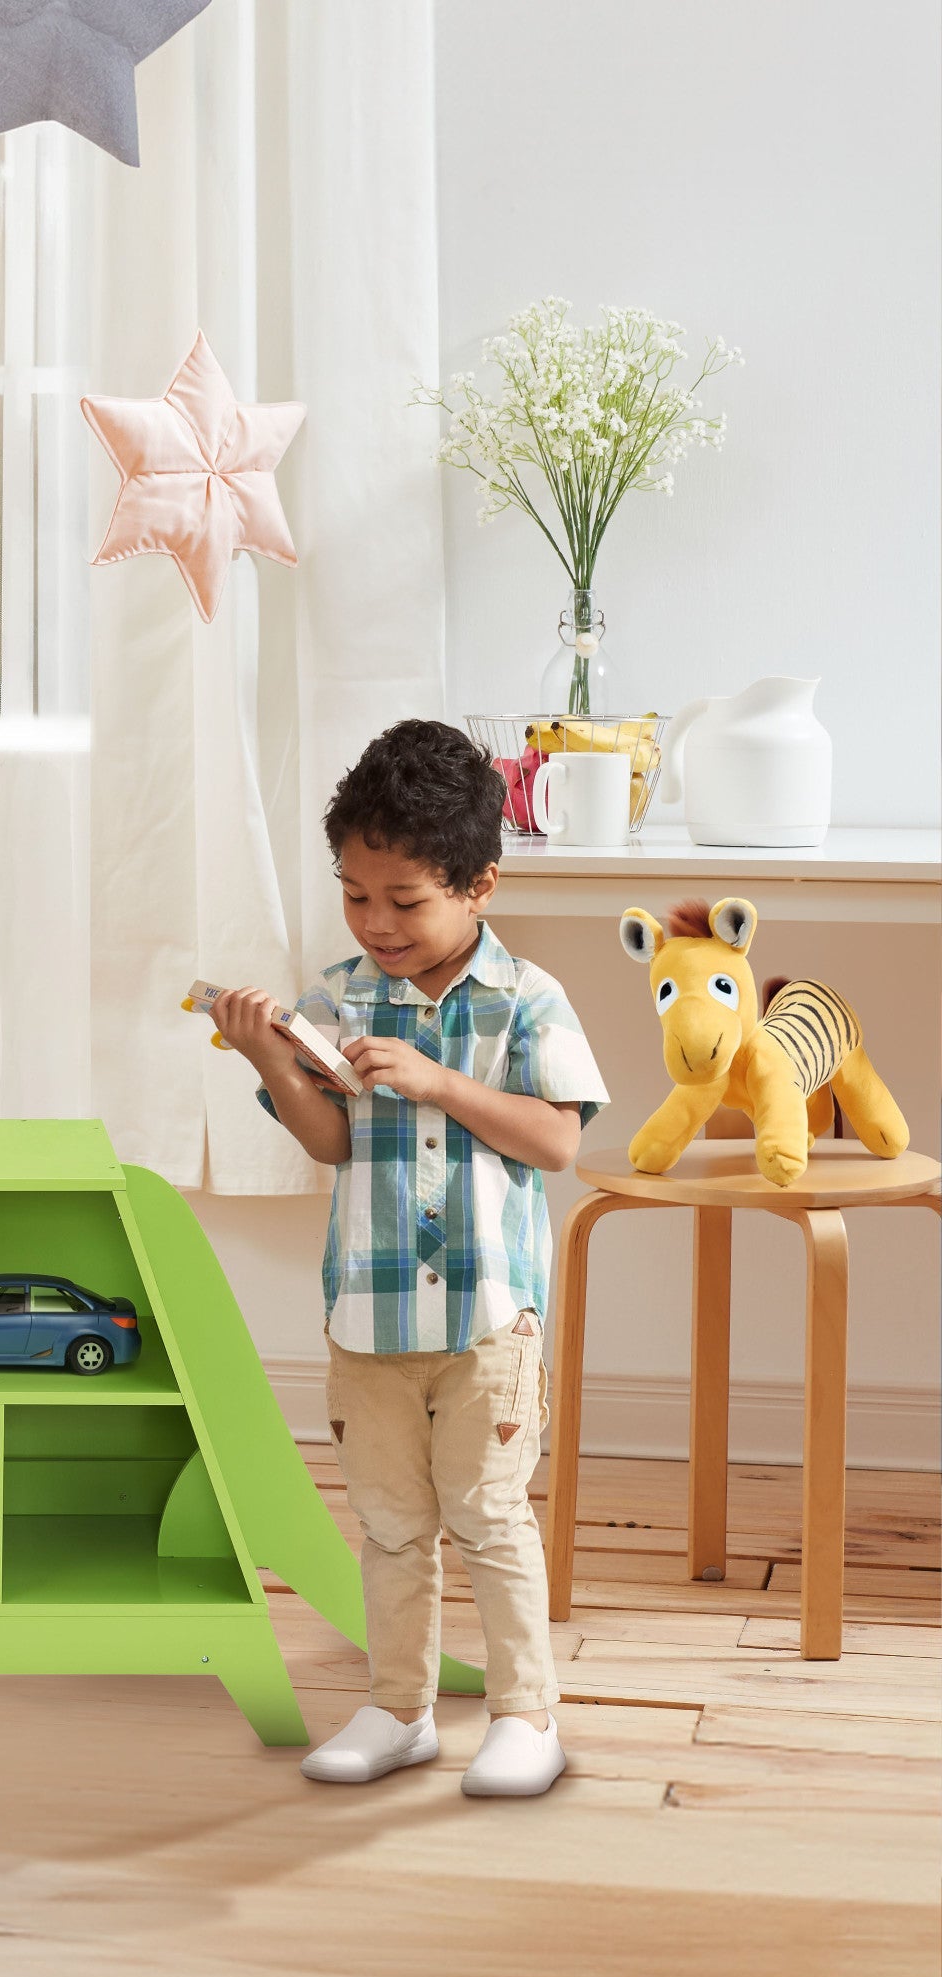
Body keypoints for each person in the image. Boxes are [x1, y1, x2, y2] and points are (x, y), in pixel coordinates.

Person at [212, 720, 607, 1798]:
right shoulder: (338, 996)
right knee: (389, 1530)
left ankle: (526, 1716)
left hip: (486, 1322)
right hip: (370, 1320)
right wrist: (269, 1056)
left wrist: (437, 1082)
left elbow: (557, 1142)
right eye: (354, 895)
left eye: (403, 899)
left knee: (489, 1519)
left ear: (477, 886)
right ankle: (398, 1710)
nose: (375, 922)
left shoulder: (525, 1000)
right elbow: (330, 1142)